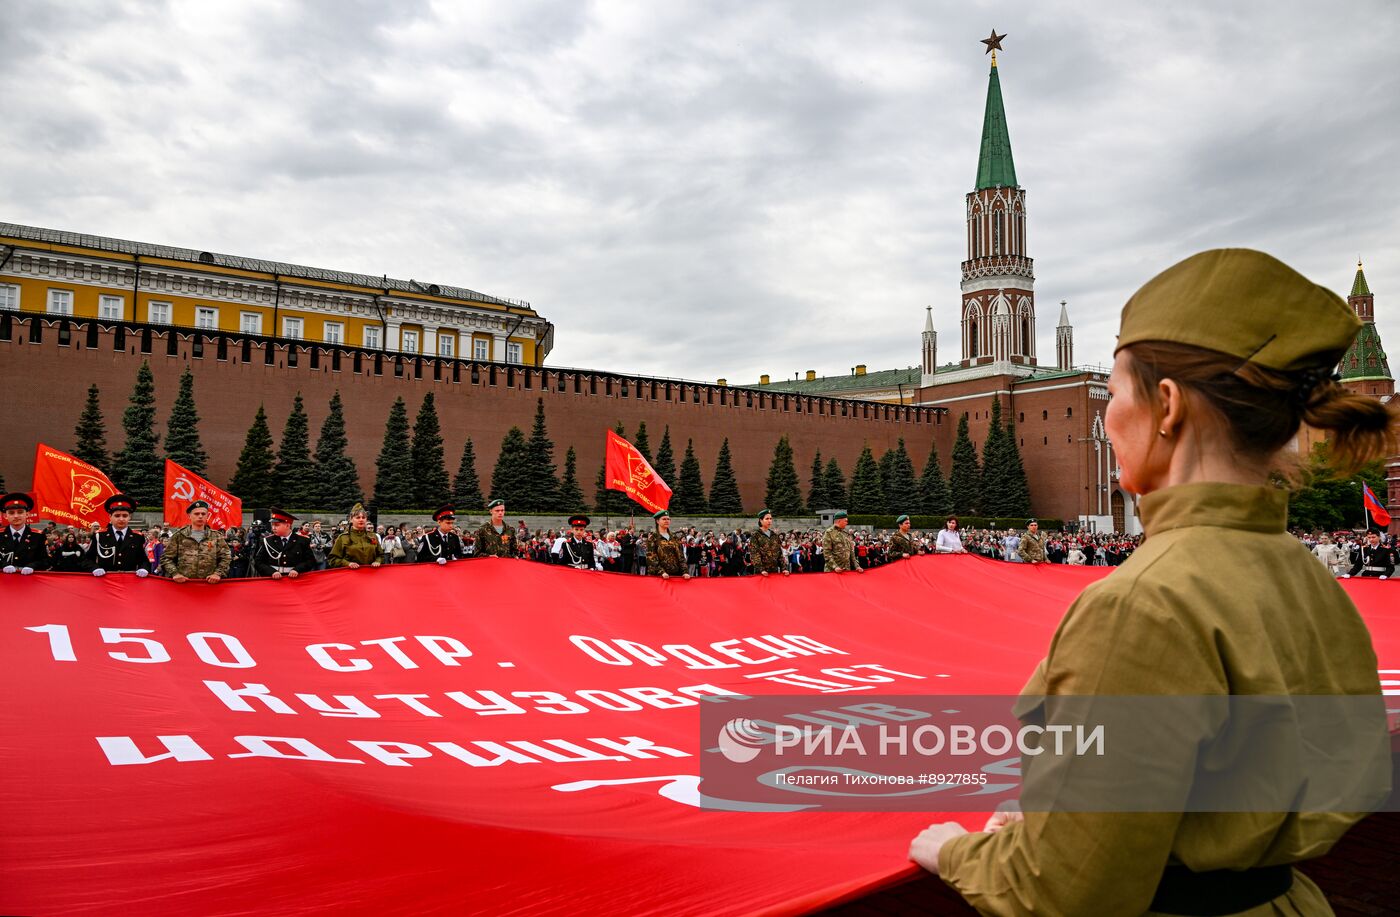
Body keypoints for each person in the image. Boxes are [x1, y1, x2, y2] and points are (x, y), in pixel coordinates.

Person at [909, 248, 1397, 913]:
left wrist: (954, 850)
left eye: (1112, 395)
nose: (1105, 420)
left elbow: (1069, 889)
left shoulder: (1142, 604)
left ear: (1166, 407)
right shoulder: (1308, 579)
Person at [159, 500, 231, 583]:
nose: (200, 516)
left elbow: (226, 557)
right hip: (184, 583)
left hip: (209, 584)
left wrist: (218, 574)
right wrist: (175, 573)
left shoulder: (216, 536)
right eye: (196, 514)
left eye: (203, 514)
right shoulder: (179, 536)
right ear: (189, 516)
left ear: (207, 516)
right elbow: (166, 558)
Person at [82, 494, 151, 576]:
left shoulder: (137, 537)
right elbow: (87, 559)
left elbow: (143, 560)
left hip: (129, 580)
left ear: (130, 517)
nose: (121, 519)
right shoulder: (100, 536)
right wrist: (94, 568)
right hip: (105, 580)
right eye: (117, 516)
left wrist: (143, 568)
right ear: (110, 517)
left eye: (125, 516)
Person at [249, 508, 317, 579]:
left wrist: (297, 569)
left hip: (295, 579)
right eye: (272, 525)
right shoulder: (268, 541)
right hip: (273, 579)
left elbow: (310, 561)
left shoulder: (302, 540)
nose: (273, 528)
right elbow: (258, 562)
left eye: (276, 525)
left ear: (287, 525)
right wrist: (271, 571)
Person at [0, 492, 51, 574]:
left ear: (27, 514)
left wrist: (32, 566)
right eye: (11, 513)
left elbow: (46, 560)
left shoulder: (38, 536)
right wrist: (4, 565)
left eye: (20, 512)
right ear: (5, 516)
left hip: (29, 581)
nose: (16, 516)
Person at [328, 503, 384, 569]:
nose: (361, 520)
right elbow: (332, 559)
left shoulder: (373, 536)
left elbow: (381, 555)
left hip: (370, 574)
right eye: (358, 517)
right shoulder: (343, 538)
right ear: (351, 519)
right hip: (351, 575)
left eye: (363, 517)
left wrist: (378, 561)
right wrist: (348, 563)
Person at [646, 510, 688, 579]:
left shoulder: (674, 537)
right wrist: (661, 572)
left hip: (675, 575)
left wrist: (685, 572)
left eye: (668, 519)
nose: (667, 521)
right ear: (657, 521)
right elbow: (651, 559)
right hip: (659, 577)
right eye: (664, 519)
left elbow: (681, 556)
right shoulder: (653, 538)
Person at [749, 509, 788, 577]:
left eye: (770, 518)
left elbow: (779, 553)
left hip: (774, 570)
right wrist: (761, 569)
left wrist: (784, 568)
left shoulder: (774, 535)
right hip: (761, 572)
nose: (769, 521)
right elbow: (754, 553)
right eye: (767, 519)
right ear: (761, 520)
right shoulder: (756, 535)